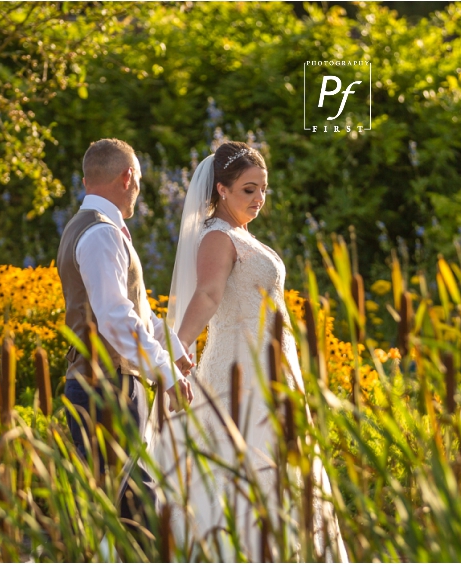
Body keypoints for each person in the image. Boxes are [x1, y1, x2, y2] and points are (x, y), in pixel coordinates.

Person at [145, 141, 348, 561]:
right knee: (244, 462)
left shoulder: (241, 234)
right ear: (221, 190)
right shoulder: (218, 237)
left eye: (263, 190)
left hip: (273, 368)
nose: (258, 199)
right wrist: (174, 350)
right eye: (248, 190)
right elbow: (206, 295)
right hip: (241, 369)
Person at [56, 138, 195, 534]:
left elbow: (138, 313)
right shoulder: (102, 234)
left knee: (121, 504)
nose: (139, 190)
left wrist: (174, 350)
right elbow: (116, 319)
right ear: (127, 177)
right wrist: (164, 371)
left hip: (104, 384)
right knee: (133, 508)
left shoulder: (90, 228)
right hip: (107, 387)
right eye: (140, 181)